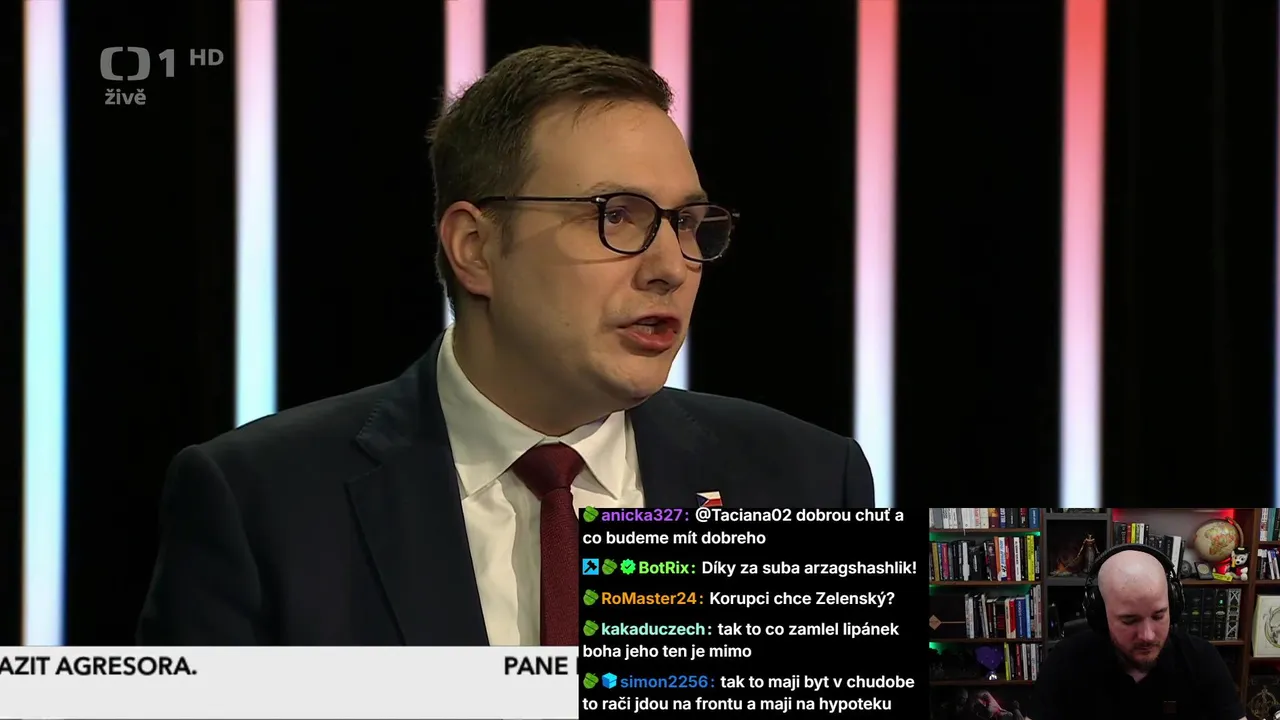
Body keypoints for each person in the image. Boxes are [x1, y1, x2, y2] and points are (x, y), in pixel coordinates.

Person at [136, 45, 875, 646]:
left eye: (687, 222)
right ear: (476, 247)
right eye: (618, 215)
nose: (671, 266)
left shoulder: (806, 481)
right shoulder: (260, 502)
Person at [1027, 544, 1245, 720]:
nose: (1148, 635)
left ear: (1174, 606)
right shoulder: (1065, 662)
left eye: (1158, 616)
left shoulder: (1202, 659)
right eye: (1129, 620)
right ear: (1100, 615)